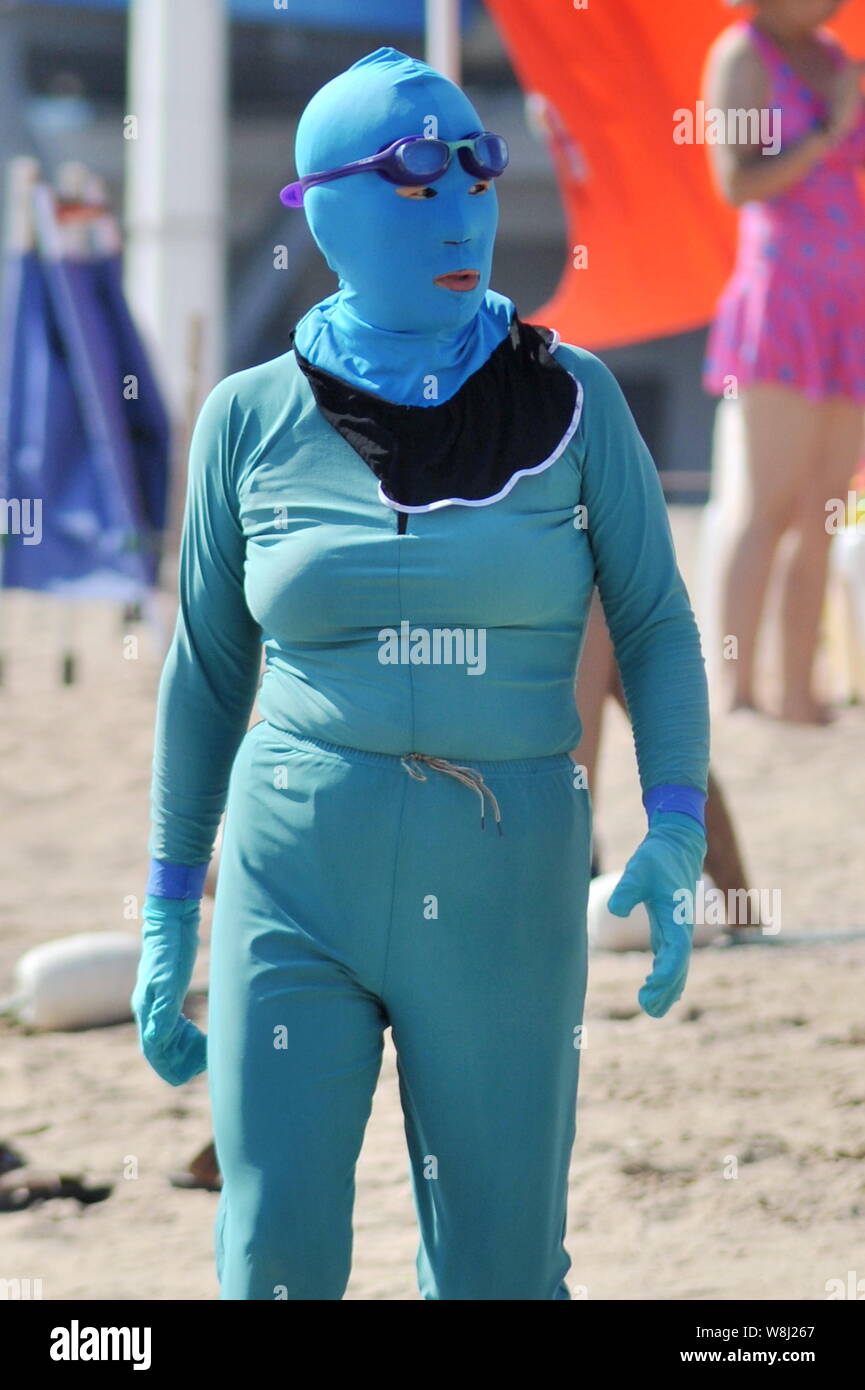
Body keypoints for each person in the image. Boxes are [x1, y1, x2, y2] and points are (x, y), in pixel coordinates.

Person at [131, 48, 710, 1302]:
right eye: (413, 186)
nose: (460, 215)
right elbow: (207, 665)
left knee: (500, 1272)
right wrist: (172, 900)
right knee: (271, 1256)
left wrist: (671, 824)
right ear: (324, 210)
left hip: (504, 877)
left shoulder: (576, 399)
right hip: (293, 870)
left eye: (478, 179)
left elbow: (658, 625)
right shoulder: (247, 416)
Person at [703, 0, 865, 722]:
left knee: (822, 511)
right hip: (781, 307)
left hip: (847, 308)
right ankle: (737, 692)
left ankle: (799, 688)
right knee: (765, 505)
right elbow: (735, 182)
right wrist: (828, 127)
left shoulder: (833, 60)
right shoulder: (740, 57)